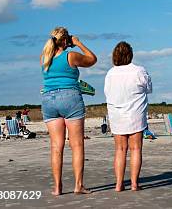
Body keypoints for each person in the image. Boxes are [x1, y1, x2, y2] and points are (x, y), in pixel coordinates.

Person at [40, 27, 97, 196]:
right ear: (65, 41)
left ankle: (57, 187)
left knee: (56, 146)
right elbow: (92, 59)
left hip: (48, 100)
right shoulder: (70, 55)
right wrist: (78, 43)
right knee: (77, 145)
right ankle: (78, 185)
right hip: (70, 97)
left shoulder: (45, 57)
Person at [104, 41, 152, 192]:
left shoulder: (111, 73)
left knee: (120, 150)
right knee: (136, 149)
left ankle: (119, 184)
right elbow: (148, 88)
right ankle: (134, 184)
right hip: (135, 113)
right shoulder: (139, 70)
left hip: (117, 114)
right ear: (130, 55)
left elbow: (107, 92)